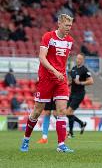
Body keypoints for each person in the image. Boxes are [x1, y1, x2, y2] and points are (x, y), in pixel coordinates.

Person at [20, 14, 74, 153]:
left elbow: (63, 61)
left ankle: (61, 145)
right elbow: (42, 58)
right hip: (46, 79)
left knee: (62, 111)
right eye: (67, 25)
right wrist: (55, 71)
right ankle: (26, 139)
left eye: (70, 25)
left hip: (61, 79)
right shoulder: (48, 37)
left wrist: (62, 73)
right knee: (37, 111)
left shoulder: (70, 40)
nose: (69, 28)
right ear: (59, 24)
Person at [67, 53, 94, 138]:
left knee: (69, 112)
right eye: (77, 58)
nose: (78, 60)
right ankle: (81, 123)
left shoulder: (85, 70)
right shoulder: (74, 68)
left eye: (80, 59)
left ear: (83, 60)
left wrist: (81, 82)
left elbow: (91, 81)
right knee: (67, 113)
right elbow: (73, 80)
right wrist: (69, 83)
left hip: (79, 94)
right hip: (72, 93)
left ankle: (71, 133)